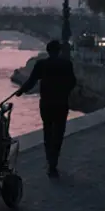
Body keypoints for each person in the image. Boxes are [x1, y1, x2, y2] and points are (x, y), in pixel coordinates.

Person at [14, 40, 77, 178]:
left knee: (48, 131)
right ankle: (54, 162)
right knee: (59, 132)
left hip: (46, 103)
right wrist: (64, 91)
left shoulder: (41, 64)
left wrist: (20, 91)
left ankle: (50, 160)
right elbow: (73, 82)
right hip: (61, 103)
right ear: (59, 51)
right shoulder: (66, 64)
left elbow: (31, 81)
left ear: (48, 51)